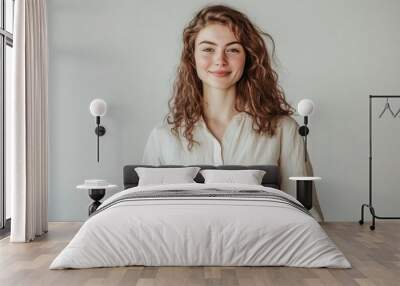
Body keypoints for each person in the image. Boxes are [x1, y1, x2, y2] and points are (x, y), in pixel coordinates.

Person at [142, 5, 323, 220]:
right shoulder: (163, 136)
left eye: (233, 49)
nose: (220, 60)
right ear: (192, 58)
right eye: (208, 49)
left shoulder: (284, 129)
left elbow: (307, 213)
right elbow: (145, 215)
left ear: (248, 57)